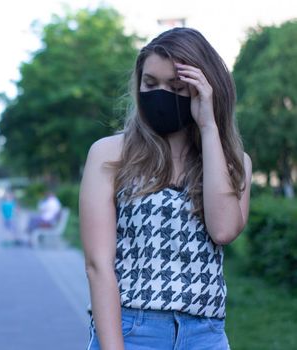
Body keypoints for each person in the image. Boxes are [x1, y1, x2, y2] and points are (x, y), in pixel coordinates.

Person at [79, 27, 252, 350]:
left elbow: (225, 229)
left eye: (176, 87)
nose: (160, 94)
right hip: (132, 331)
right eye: (150, 83)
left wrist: (208, 127)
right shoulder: (109, 154)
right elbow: (98, 265)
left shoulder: (232, 161)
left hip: (206, 335)